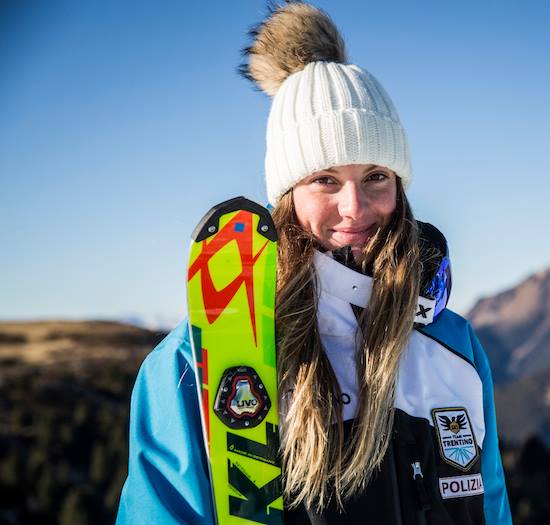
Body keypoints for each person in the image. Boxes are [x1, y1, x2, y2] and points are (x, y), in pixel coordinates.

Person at [116, 3, 511, 524]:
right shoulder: (198, 363)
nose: (355, 207)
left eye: (376, 176)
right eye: (324, 180)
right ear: (287, 196)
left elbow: (491, 509)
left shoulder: (452, 345)